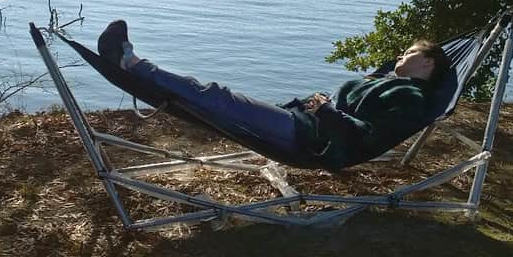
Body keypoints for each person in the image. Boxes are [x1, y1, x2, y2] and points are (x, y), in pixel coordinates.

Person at [97, 20, 452, 171]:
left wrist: (326, 110)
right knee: (217, 100)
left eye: (409, 53)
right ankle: (134, 64)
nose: (401, 57)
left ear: (428, 61)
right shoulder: (389, 80)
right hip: (302, 124)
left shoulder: (411, 98)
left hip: (309, 139)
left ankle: (132, 64)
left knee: (217, 98)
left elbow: (366, 134)